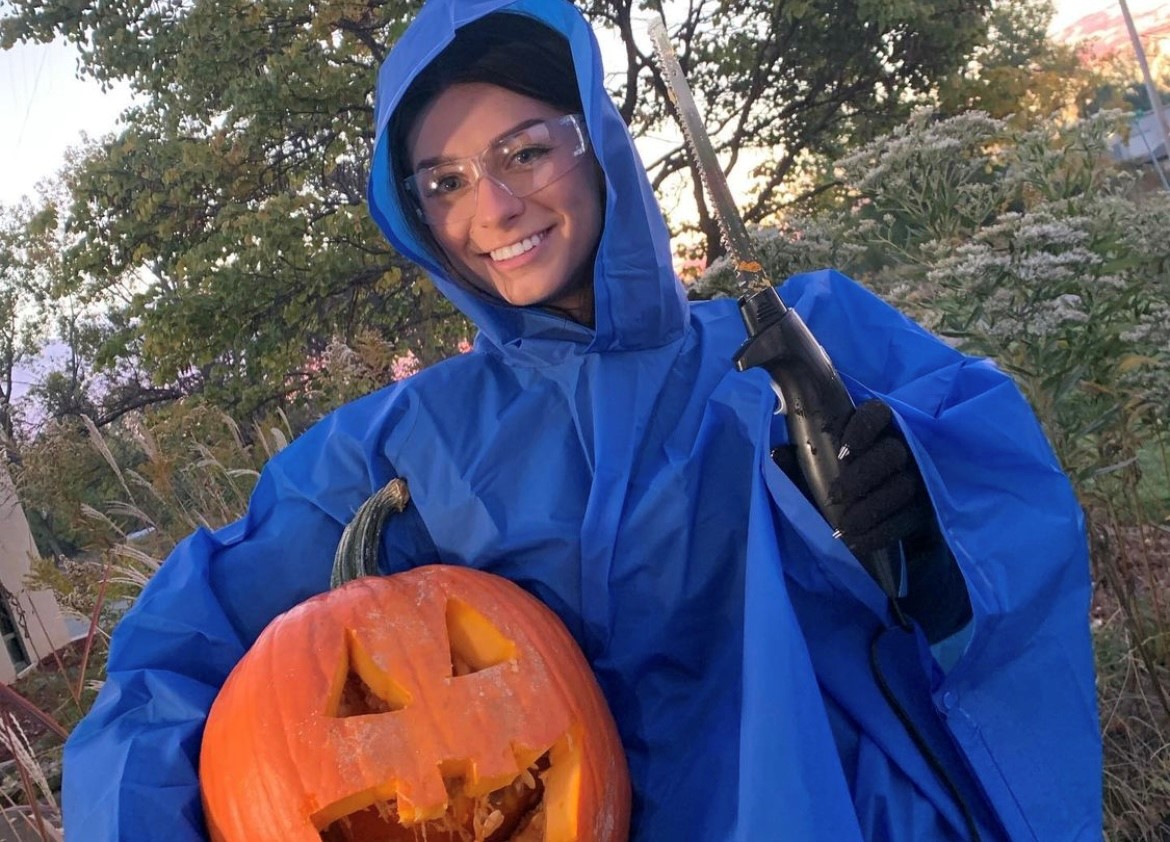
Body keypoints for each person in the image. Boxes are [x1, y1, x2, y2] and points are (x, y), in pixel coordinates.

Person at [61, 0, 1102, 839]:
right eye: (445, 182)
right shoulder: (401, 448)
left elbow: (1007, 517)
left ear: (598, 142)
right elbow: (173, 661)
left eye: (525, 152)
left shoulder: (809, 335)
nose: (494, 208)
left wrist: (928, 506)